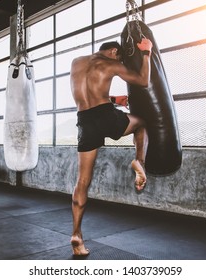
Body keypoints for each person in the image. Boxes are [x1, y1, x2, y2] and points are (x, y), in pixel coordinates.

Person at [69, 38, 153, 256]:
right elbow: (143, 80)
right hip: (106, 116)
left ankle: (77, 235)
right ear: (114, 51)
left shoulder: (76, 62)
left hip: (85, 121)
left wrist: (114, 99)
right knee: (141, 124)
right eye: (120, 56)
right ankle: (139, 161)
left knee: (82, 181)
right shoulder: (111, 64)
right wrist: (147, 53)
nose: (120, 60)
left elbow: (88, 94)